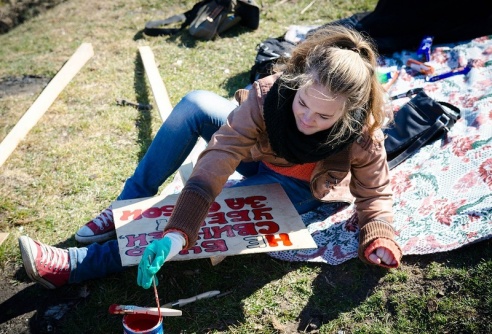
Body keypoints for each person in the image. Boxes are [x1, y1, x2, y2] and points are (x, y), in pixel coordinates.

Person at [18, 25, 402, 290]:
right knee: (195, 105)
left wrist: (379, 238)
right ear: (300, 81)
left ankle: (77, 265)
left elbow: (376, 195)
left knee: (215, 211)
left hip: (294, 186)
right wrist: (179, 228)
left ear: (347, 112)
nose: (306, 118)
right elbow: (219, 156)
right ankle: (128, 205)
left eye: (323, 116)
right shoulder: (269, 95)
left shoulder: (362, 133)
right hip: (258, 154)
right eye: (303, 103)